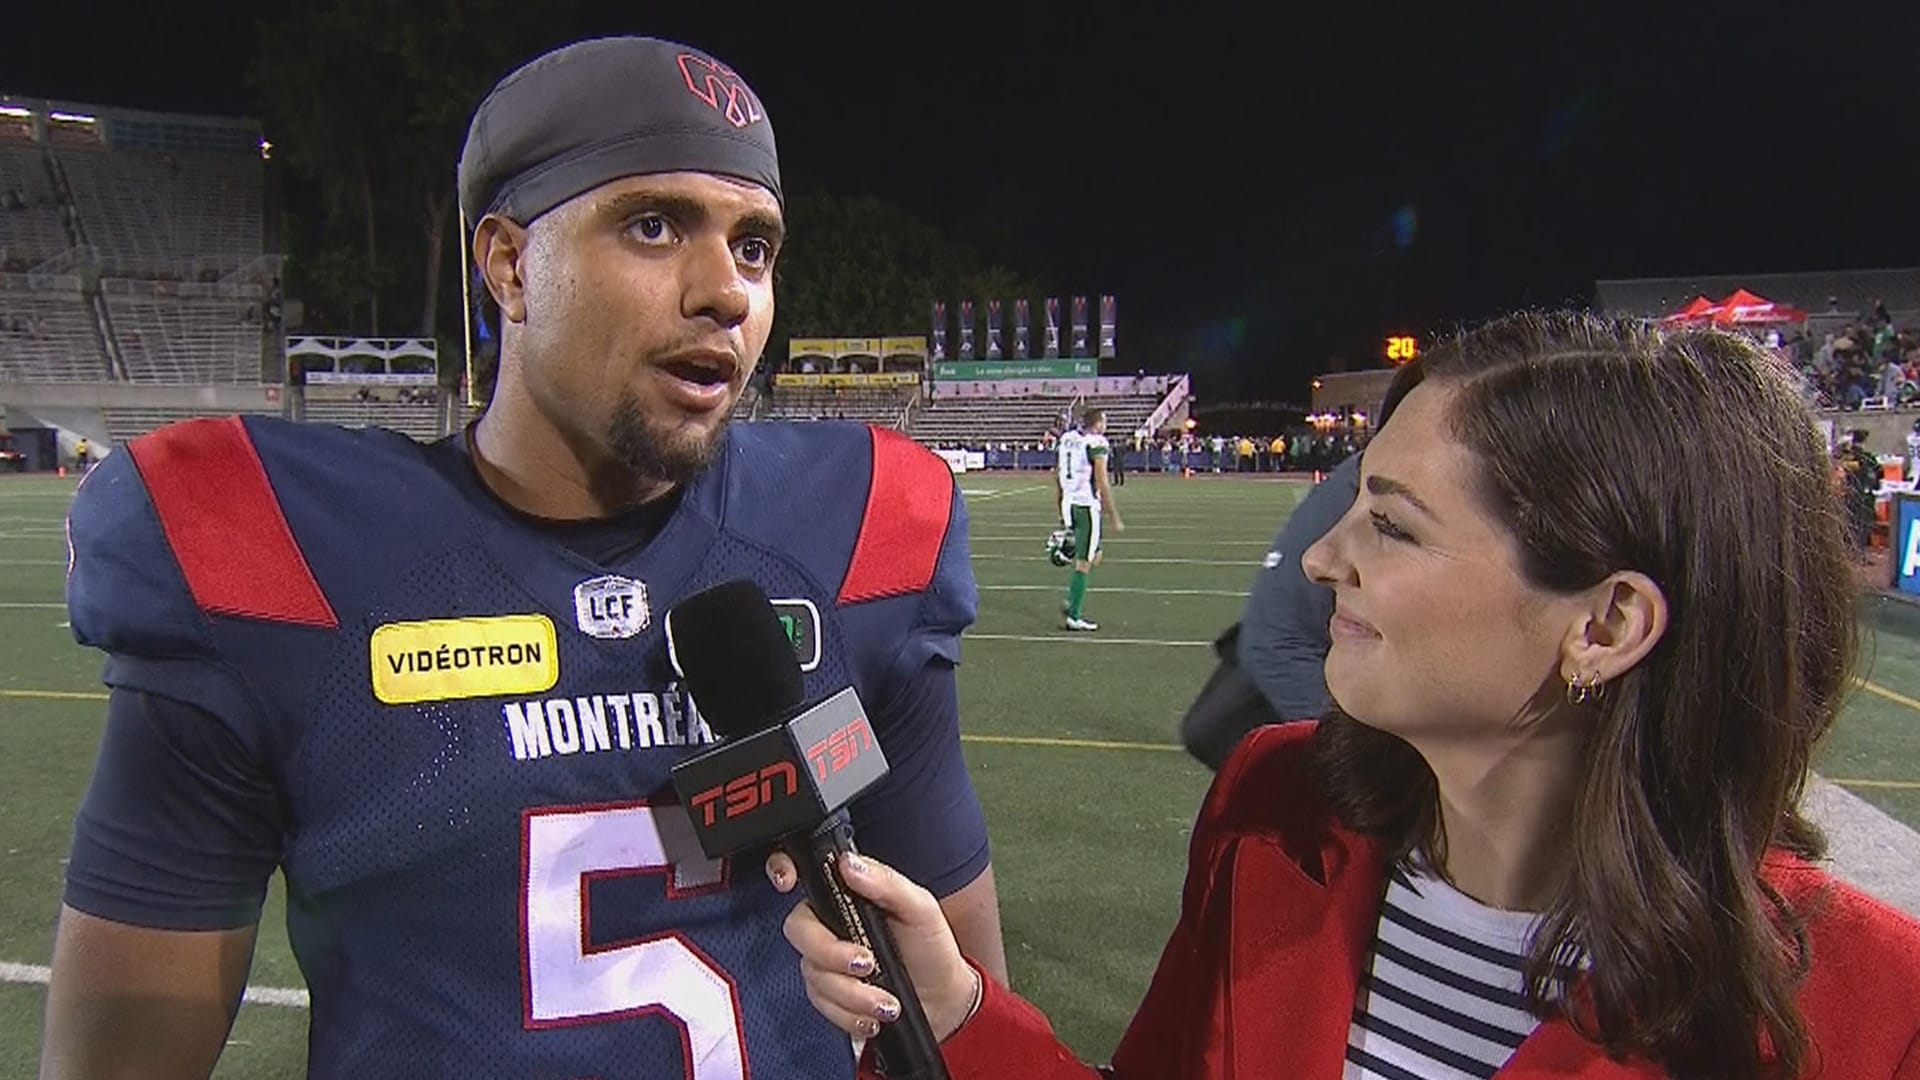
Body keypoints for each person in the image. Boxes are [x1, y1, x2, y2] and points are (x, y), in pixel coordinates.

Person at [42, 36, 1005, 1079]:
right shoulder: (279, 559)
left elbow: (967, 1020)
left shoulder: (854, 530)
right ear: (508, 264)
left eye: (755, 247)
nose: (725, 291)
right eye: (653, 226)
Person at [775, 312, 1920, 1079]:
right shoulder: (1279, 804)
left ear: (1607, 624)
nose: (1324, 563)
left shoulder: (1874, 1012)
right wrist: (960, 1005)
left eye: (1394, 525)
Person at [1053, 407, 1123, 631]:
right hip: (1085, 505)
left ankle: (1072, 599)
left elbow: (1057, 473)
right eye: (1104, 420)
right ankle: (1073, 615)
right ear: (1098, 423)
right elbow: (1102, 481)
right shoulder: (1096, 442)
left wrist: (1059, 507)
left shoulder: (1067, 438)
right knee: (1084, 563)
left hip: (1069, 502)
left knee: (1096, 555)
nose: (1106, 425)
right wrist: (1114, 516)